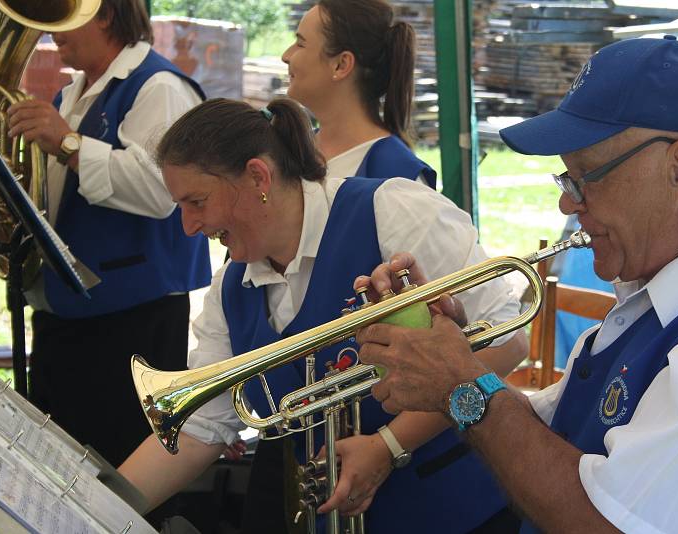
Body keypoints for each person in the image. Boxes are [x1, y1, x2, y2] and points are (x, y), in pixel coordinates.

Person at [354, 36, 678, 533]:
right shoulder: (659, 297)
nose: (569, 204)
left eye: (587, 176)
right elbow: (543, 434)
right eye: (567, 179)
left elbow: (609, 524)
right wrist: (449, 354)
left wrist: (461, 385)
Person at [118, 97, 528, 533]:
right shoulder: (230, 290)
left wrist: (387, 446)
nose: (187, 226)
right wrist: (98, 503)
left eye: (196, 202)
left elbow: (505, 342)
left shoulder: (391, 209)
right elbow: (202, 428)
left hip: (461, 512)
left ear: (258, 176)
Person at [6, 0, 211, 467]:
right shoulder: (74, 91)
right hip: (71, 316)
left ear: (104, 13)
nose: (51, 28)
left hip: (131, 322)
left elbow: (162, 189)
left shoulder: (159, 86)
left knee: (116, 468)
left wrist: (68, 144)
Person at [282, 0, 436, 187]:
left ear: (341, 65)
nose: (286, 56)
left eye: (300, 43)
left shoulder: (399, 178)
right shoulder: (290, 151)